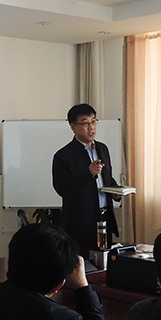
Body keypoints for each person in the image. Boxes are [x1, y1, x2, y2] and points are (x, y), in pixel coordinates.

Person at [52, 103, 120, 249]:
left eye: (93, 122)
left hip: (104, 218)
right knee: (84, 260)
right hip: (80, 224)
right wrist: (88, 173)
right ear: (73, 127)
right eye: (85, 123)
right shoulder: (64, 155)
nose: (91, 127)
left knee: (105, 260)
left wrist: (116, 191)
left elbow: (107, 178)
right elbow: (62, 188)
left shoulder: (102, 148)